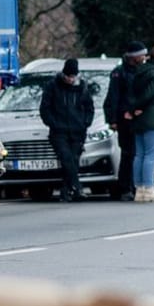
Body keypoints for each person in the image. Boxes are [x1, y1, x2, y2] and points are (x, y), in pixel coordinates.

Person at [39, 57, 96, 201]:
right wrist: (53, 123)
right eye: (68, 76)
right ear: (64, 74)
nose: (71, 79)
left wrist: (85, 123)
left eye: (73, 76)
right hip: (59, 131)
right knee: (66, 158)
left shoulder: (82, 88)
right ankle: (77, 188)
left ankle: (66, 191)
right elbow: (45, 108)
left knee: (73, 161)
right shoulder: (53, 86)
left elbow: (89, 107)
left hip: (78, 131)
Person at [127, 42, 154, 202]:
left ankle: (139, 189)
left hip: (139, 119)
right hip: (153, 117)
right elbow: (150, 94)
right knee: (151, 155)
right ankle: (148, 188)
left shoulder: (139, 71)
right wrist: (140, 107)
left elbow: (132, 93)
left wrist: (133, 109)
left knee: (139, 154)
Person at [103, 44, 147, 201]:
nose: (144, 58)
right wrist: (113, 119)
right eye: (141, 55)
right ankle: (126, 187)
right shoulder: (119, 73)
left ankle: (138, 186)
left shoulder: (143, 71)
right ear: (133, 57)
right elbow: (113, 97)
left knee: (139, 153)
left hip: (140, 118)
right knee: (128, 154)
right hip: (125, 119)